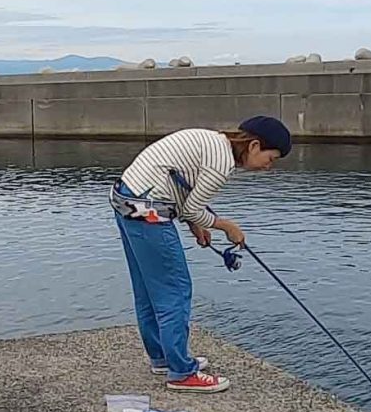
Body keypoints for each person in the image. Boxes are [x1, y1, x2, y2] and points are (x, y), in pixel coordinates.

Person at [110, 116, 292, 393]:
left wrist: (196, 225)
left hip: (126, 202)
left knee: (148, 289)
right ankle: (182, 373)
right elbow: (190, 208)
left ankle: (163, 358)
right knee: (175, 291)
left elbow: (180, 186)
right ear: (254, 145)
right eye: (271, 157)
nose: (270, 166)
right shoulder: (222, 164)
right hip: (149, 214)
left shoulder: (213, 142)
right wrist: (227, 227)